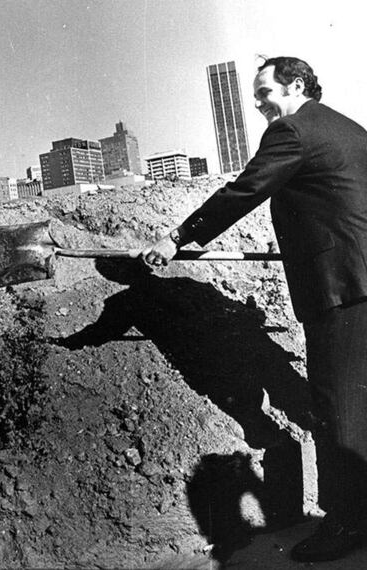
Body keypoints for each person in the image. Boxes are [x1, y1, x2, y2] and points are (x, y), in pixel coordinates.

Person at [143, 56, 367, 563]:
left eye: (265, 91)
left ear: (296, 84)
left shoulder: (292, 130)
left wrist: (178, 237)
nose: (258, 102)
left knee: (340, 407)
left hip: (342, 288)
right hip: (361, 280)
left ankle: (348, 523)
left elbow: (245, 190)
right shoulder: (349, 128)